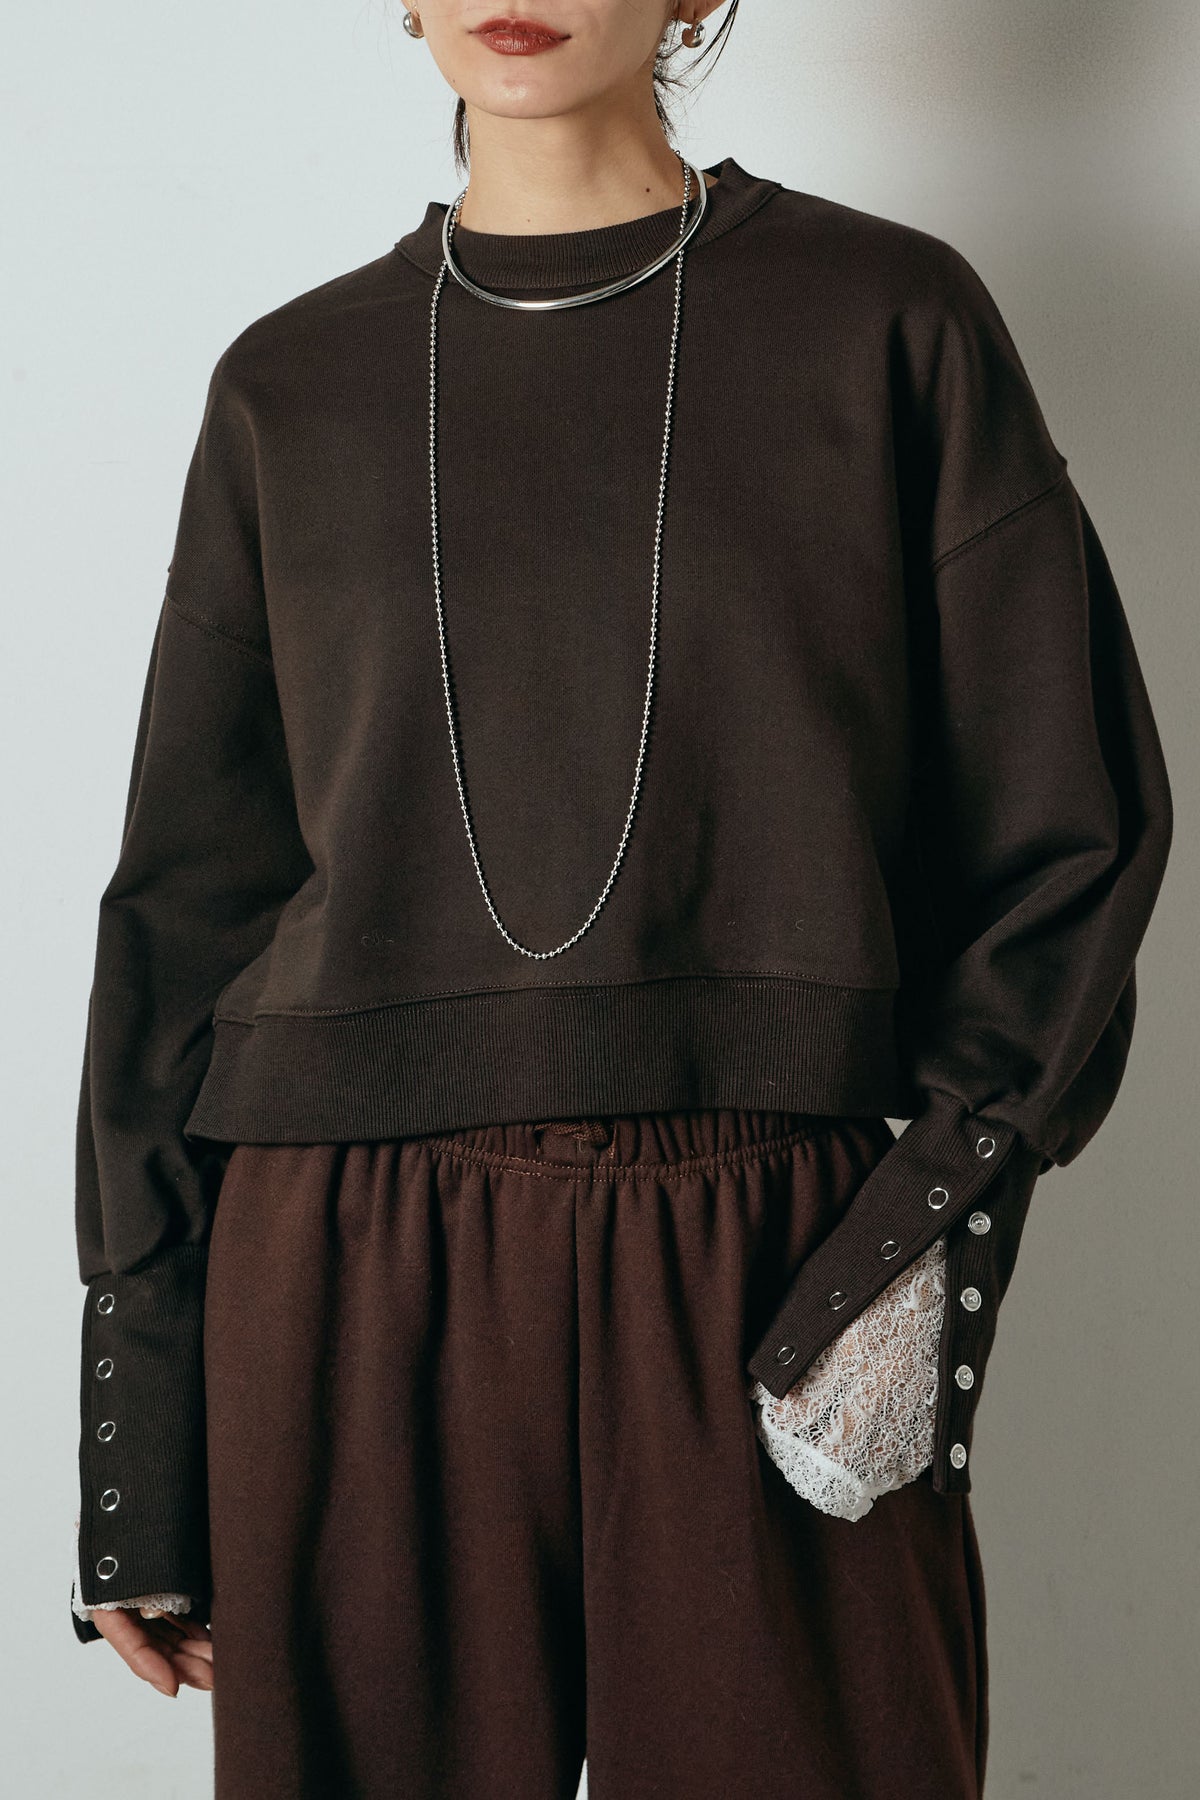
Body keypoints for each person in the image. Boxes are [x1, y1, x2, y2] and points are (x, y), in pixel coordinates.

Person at [69, 4, 1173, 1796]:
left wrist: (919, 1246)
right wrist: (141, 1424)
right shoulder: (291, 385)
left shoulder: (888, 320)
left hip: (770, 1242)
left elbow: (1073, 828)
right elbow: (184, 914)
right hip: (347, 1261)